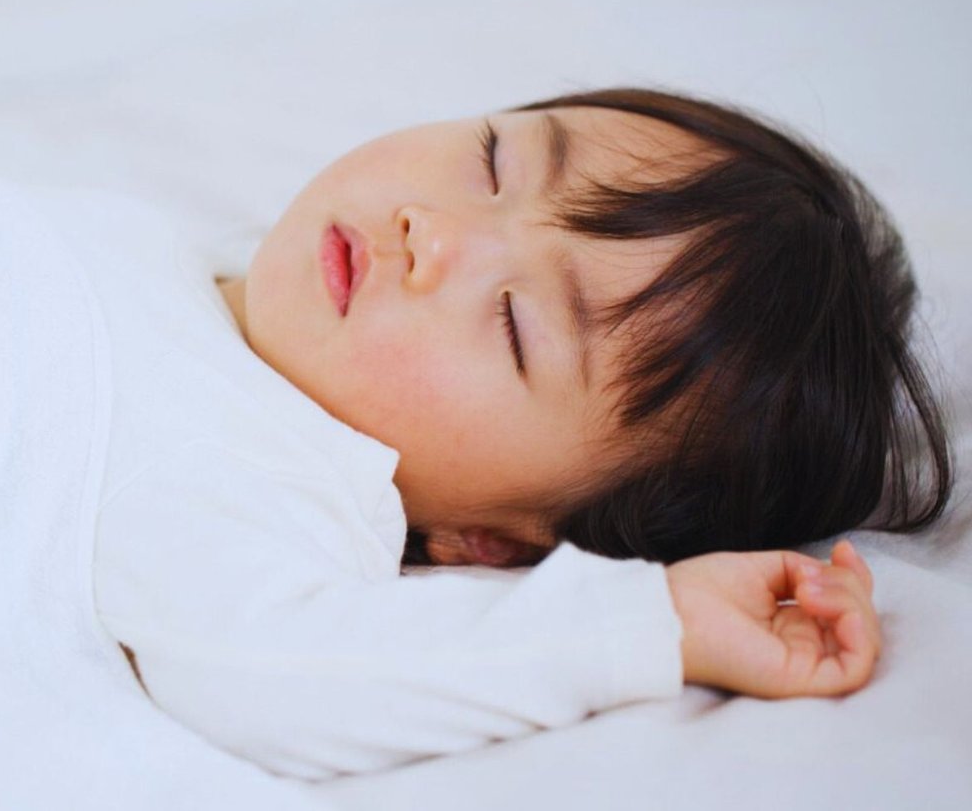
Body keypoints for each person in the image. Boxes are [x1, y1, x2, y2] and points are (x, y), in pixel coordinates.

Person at [66, 88, 954, 779]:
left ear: (488, 543)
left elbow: (267, 673)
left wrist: (658, 624)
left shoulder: (256, 474)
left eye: (515, 326)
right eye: (495, 163)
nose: (434, 234)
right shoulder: (173, 248)